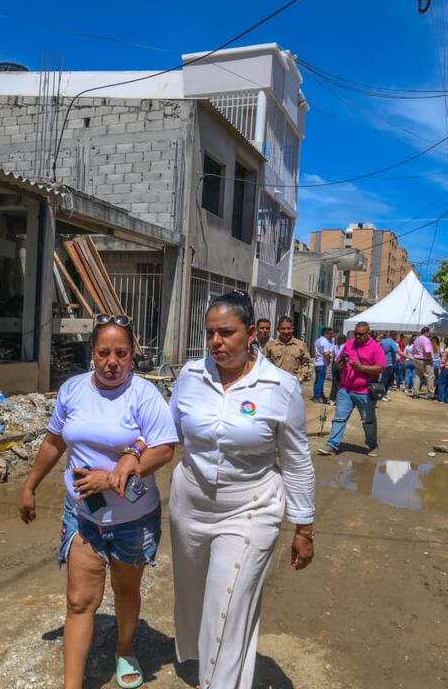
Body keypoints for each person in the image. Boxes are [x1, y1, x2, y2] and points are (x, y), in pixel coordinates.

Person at [18, 315, 179, 689]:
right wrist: (30, 485)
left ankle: (124, 649)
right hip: (83, 517)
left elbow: (165, 448)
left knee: (125, 591)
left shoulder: (144, 395)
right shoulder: (73, 390)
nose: (112, 362)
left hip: (133, 518)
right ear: (92, 353)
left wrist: (118, 473)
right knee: (79, 602)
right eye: (104, 352)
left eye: (121, 353)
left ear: (133, 354)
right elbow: (54, 441)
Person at [169, 291, 315, 689]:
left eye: (226, 332)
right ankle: (205, 665)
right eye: (210, 333)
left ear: (251, 333)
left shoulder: (280, 386)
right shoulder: (190, 375)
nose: (216, 341)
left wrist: (304, 527)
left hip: (252, 507)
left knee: (229, 603)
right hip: (190, 506)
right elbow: (167, 435)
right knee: (194, 596)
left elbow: (297, 459)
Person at [321, 321, 386, 456]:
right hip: (346, 389)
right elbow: (339, 363)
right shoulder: (349, 344)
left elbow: (381, 368)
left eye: (361, 334)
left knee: (368, 421)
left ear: (368, 334)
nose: (357, 337)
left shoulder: (376, 348)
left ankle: (372, 445)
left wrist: (362, 368)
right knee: (339, 418)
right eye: (355, 334)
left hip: (365, 391)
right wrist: (341, 363)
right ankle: (332, 445)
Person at [264, 316, 313, 382]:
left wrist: (302, 376)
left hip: (294, 383)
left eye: (289, 328)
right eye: (283, 329)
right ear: (278, 329)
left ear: (293, 329)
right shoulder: (270, 345)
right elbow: (263, 363)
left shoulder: (301, 345)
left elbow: (306, 364)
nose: (286, 331)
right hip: (276, 383)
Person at [311, 327, 336, 404]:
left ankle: (320, 395)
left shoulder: (318, 340)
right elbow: (326, 354)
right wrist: (328, 360)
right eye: (330, 333)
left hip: (317, 363)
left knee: (318, 381)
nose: (332, 335)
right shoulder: (325, 342)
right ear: (325, 334)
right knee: (320, 381)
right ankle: (318, 397)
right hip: (322, 363)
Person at [411, 327, 437, 398]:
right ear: (427, 332)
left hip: (417, 359)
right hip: (425, 360)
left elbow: (412, 351)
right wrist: (431, 359)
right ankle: (430, 394)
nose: (429, 334)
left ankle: (415, 393)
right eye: (429, 332)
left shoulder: (417, 339)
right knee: (430, 377)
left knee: (417, 376)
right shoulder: (426, 340)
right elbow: (428, 351)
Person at [378, 332, 401, 401]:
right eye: (397, 336)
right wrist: (409, 357)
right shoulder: (392, 342)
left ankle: (384, 394)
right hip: (389, 364)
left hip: (385, 363)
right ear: (394, 336)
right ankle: (381, 395)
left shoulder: (383, 341)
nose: (397, 338)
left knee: (388, 380)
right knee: (385, 380)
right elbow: (398, 351)